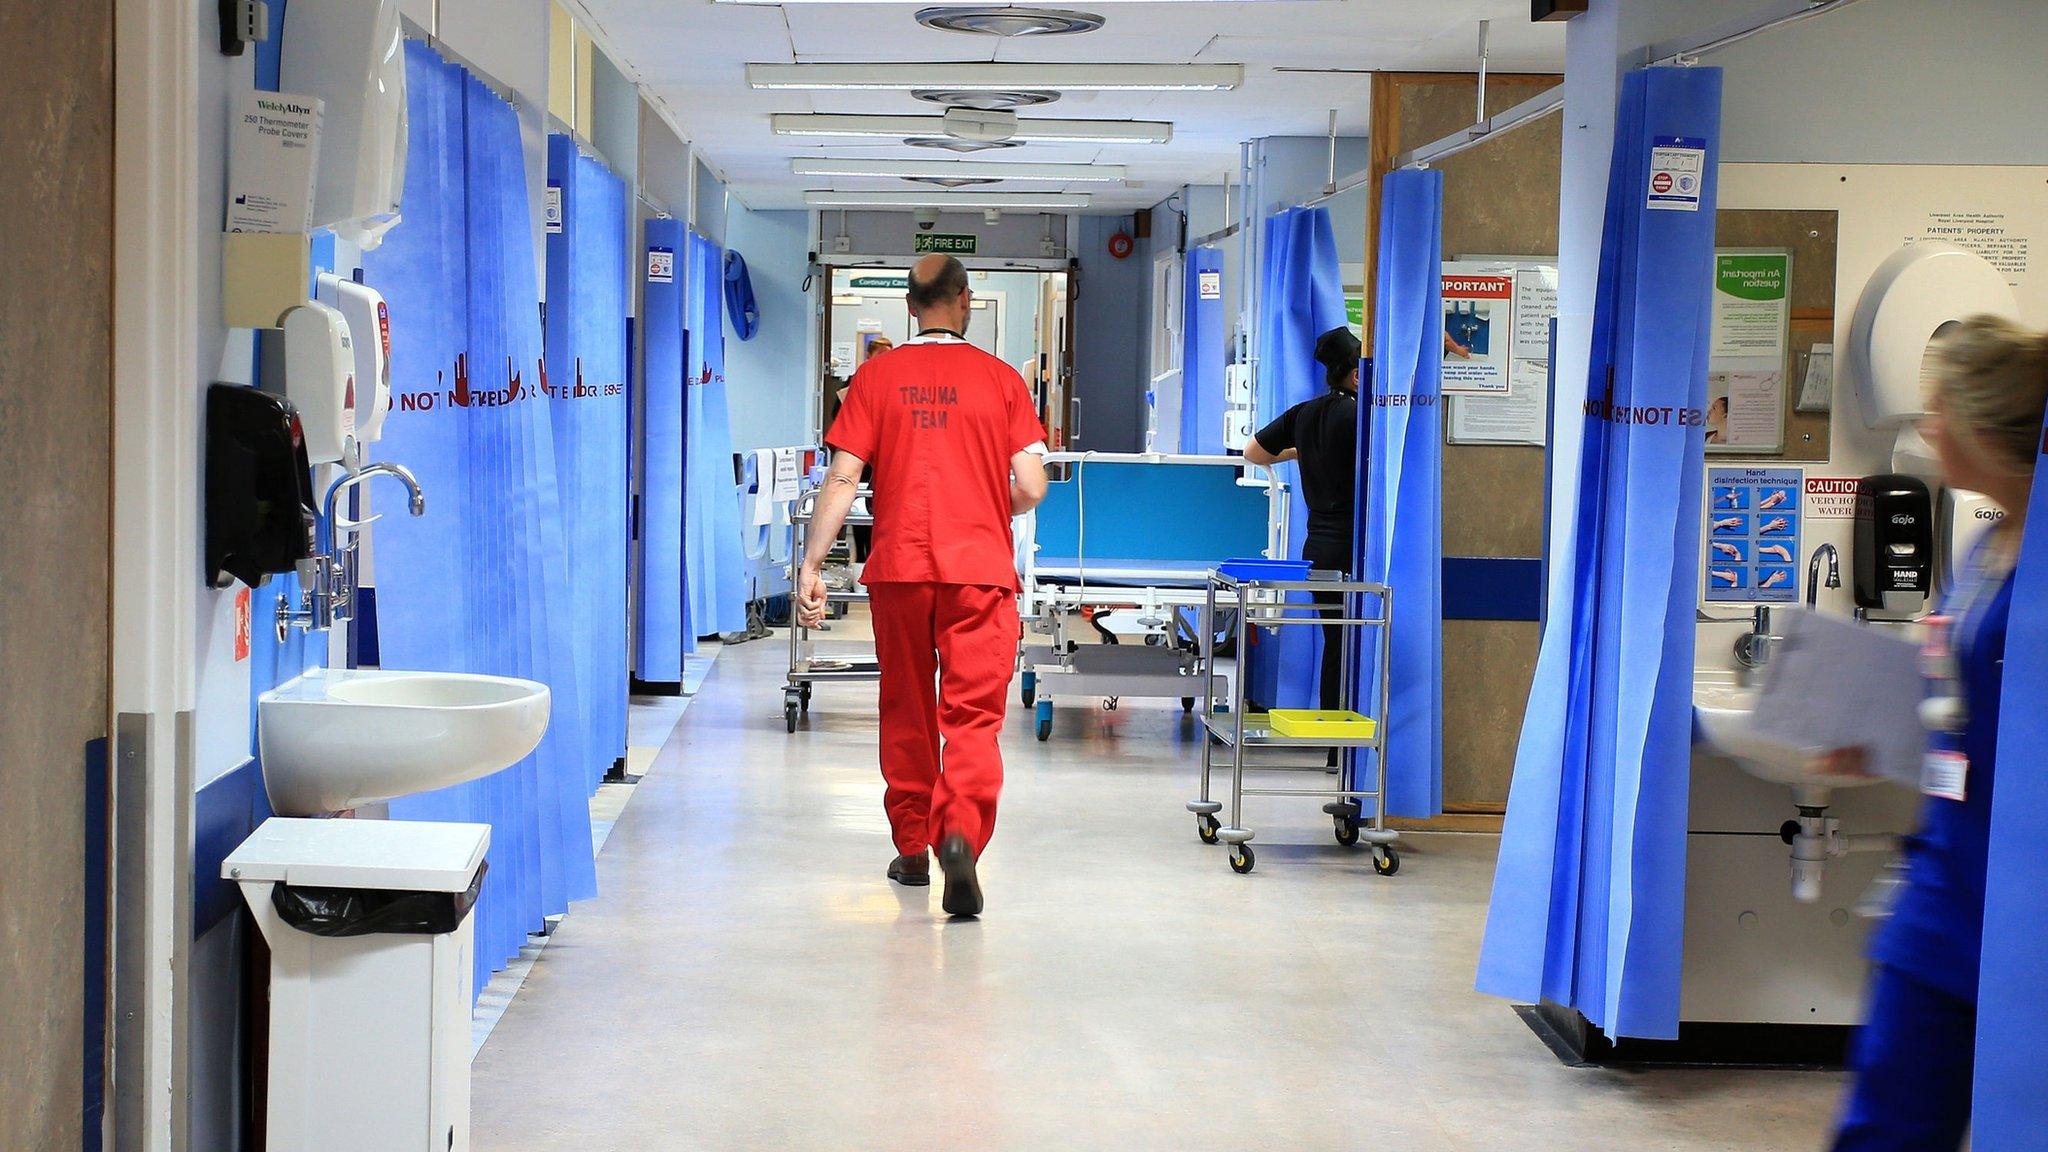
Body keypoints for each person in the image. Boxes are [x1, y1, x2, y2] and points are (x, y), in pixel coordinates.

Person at [1823, 315, 2046, 1151]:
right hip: (1945, 886)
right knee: (1885, 1122)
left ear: (1984, 424)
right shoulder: (1985, 549)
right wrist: (1872, 732)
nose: (1927, 429)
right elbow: (1960, 710)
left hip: (2021, 899)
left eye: (1937, 409)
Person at [796, 254, 1049, 918]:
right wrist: (988, 506)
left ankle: (912, 847)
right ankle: (958, 831)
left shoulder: (877, 378)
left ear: (911, 308)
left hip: (901, 569)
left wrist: (812, 565)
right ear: (964, 302)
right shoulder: (1001, 381)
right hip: (980, 570)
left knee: (906, 706)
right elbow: (1030, 486)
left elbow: (844, 479)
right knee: (971, 716)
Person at [1243, 326, 1363, 721]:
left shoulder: (1304, 413)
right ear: (1357, 374)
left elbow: (1254, 453)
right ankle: (1354, 742)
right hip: (1356, 546)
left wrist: (1300, 454)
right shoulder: (1363, 416)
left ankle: (1335, 744)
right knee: (1359, 644)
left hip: (1318, 549)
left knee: (1336, 641)